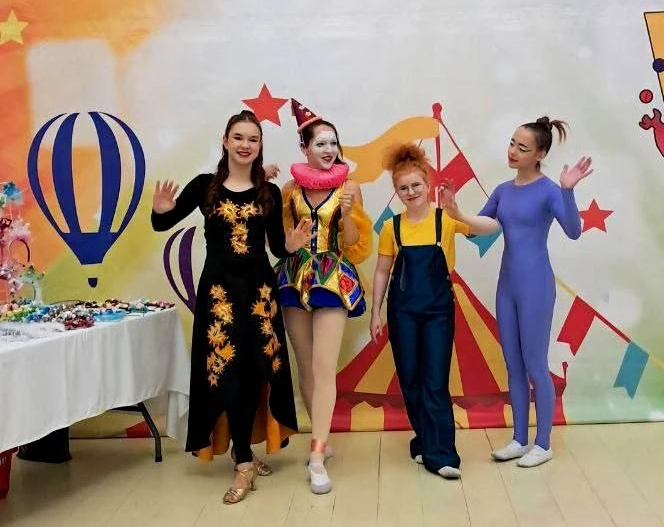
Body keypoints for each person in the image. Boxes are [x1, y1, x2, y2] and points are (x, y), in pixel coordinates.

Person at [151, 110, 311, 504]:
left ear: (260, 146)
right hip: (219, 296)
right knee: (227, 372)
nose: (245, 145)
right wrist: (161, 210)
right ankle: (243, 461)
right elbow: (162, 224)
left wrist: (291, 246)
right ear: (225, 141)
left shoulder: (268, 193)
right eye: (238, 137)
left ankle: (245, 453)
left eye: (253, 139)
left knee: (256, 371)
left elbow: (277, 248)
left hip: (259, 295)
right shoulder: (204, 187)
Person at [462, 116, 592, 467]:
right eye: (512, 143)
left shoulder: (549, 190)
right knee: (513, 364)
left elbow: (574, 231)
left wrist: (567, 190)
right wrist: (456, 213)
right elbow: (478, 229)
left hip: (536, 286)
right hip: (507, 287)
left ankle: (543, 443)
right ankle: (519, 439)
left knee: (535, 364)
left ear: (540, 154)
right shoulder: (503, 191)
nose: (513, 151)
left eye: (522, 147)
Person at [369, 143, 499, 479]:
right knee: (410, 379)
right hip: (402, 312)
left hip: (439, 311)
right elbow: (382, 271)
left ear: (428, 185)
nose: (411, 192)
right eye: (403, 188)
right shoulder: (391, 227)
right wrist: (375, 312)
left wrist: (458, 212)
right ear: (396, 192)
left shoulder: (446, 220)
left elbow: (492, 227)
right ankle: (425, 440)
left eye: (416, 185)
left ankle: (442, 456)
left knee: (435, 381)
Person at [275, 99, 372, 494]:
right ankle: (322, 437)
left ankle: (316, 455)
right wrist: (290, 242)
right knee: (305, 366)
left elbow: (355, 245)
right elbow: (281, 241)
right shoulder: (290, 190)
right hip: (294, 277)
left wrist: (347, 214)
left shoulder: (350, 187)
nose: (329, 149)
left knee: (323, 366)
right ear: (305, 148)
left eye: (333, 143)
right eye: (320, 144)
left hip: (332, 278)